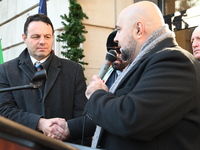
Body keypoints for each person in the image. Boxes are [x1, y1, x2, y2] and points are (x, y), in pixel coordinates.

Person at [82, 1, 200, 150]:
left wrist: (96, 94)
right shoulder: (147, 62)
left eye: (118, 30)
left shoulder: (173, 61)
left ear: (138, 29)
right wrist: (67, 127)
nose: (116, 39)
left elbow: (131, 119)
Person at [0, 14, 88, 142]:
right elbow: (4, 111)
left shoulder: (74, 70)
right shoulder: (5, 70)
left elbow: (82, 114)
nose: (42, 41)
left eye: (47, 36)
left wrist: (65, 131)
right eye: (36, 37)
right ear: (24, 38)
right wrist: (39, 123)